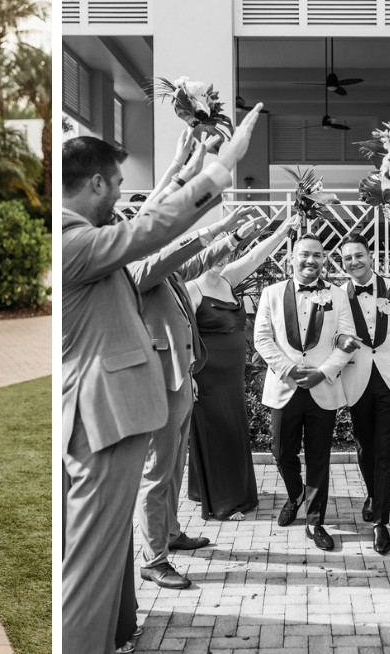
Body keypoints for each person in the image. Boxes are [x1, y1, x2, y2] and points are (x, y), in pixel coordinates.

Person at [62, 107, 263, 654]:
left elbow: (146, 218)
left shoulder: (87, 235)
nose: (126, 192)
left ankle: (117, 626)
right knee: (92, 563)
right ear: (97, 182)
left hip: (113, 411)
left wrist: (187, 157)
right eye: (119, 182)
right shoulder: (74, 241)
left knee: (102, 559)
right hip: (102, 416)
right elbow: (153, 228)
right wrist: (220, 168)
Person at [129, 199, 258, 589]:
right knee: (156, 473)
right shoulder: (139, 269)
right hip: (157, 385)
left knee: (173, 468)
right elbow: (181, 255)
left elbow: (198, 263)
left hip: (182, 379)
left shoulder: (168, 273)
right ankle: (153, 559)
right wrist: (214, 229)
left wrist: (234, 236)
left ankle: (171, 533)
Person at [185, 212, 300, 522]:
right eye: (218, 251)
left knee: (233, 429)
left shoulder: (225, 279)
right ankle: (223, 502)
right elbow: (181, 333)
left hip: (231, 376)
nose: (224, 257)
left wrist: (282, 232)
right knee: (217, 432)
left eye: (227, 251)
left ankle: (201, 488)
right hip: (206, 375)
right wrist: (187, 375)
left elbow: (255, 257)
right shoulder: (193, 288)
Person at [253, 233, 357, 551]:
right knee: (282, 453)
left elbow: (347, 339)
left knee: (318, 459)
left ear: (324, 260)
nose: (311, 260)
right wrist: (288, 369)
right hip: (285, 386)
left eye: (317, 255)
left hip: (321, 387)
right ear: (292, 259)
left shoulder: (337, 296)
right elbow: (262, 337)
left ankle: (315, 522)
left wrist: (322, 372)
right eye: (304, 254)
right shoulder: (271, 294)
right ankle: (296, 493)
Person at [337, 232, 390, 555]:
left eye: (358, 255)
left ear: (370, 256)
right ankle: (374, 494)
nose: (354, 262)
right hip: (356, 379)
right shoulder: (338, 296)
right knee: (364, 446)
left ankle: (381, 522)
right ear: (342, 263)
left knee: (386, 449)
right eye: (347, 258)